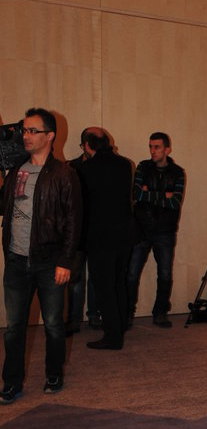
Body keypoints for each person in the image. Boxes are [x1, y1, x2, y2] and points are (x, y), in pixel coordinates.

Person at [0, 107, 82, 403]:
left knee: (53, 324)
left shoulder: (63, 174)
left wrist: (65, 262)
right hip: (16, 260)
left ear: (50, 136)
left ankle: (54, 373)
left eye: (33, 130)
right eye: (24, 130)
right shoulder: (15, 170)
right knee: (14, 328)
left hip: (49, 262)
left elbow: (73, 221)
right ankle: (11, 382)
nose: (26, 135)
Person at [77, 129, 133, 350]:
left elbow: (83, 204)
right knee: (119, 282)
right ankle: (120, 326)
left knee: (103, 286)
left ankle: (112, 335)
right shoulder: (125, 164)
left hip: (100, 236)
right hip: (124, 234)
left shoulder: (85, 169)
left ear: (87, 146)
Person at [126, 132, 185, 328]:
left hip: (165, 230)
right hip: (141, 228)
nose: (152, 151)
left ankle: (160, 313)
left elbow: (175, 202)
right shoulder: (143, 167)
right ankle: (127, 313)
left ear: (167, 149)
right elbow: (136, 195)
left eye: (157, 147)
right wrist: (163, 195)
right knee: (132, 273)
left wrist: (149, 193)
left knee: (165, 274)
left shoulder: (177, 172)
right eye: (150, 146)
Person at [65, 128, 101, 335]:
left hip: (96, 231)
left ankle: (94, 316)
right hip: (77, 231)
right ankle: (74, 319)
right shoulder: (71, 167)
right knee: (75, 278)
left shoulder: (103, 168)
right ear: (84, 145)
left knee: (95, 277)